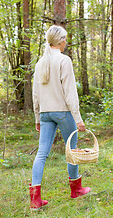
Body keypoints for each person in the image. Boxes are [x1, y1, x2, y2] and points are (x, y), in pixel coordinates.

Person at [29, 25, 91, 210]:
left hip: (46, 113)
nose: (66, 42)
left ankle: (35, 200)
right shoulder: (64, 61)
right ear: (61, 41)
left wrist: (37, 118)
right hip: (63, 113)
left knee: (41, 154)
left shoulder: (40, 63)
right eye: (65, 39)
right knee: (71, 150)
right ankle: (76, 189)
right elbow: (70, 93)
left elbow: (35, 94)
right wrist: (78, 118)